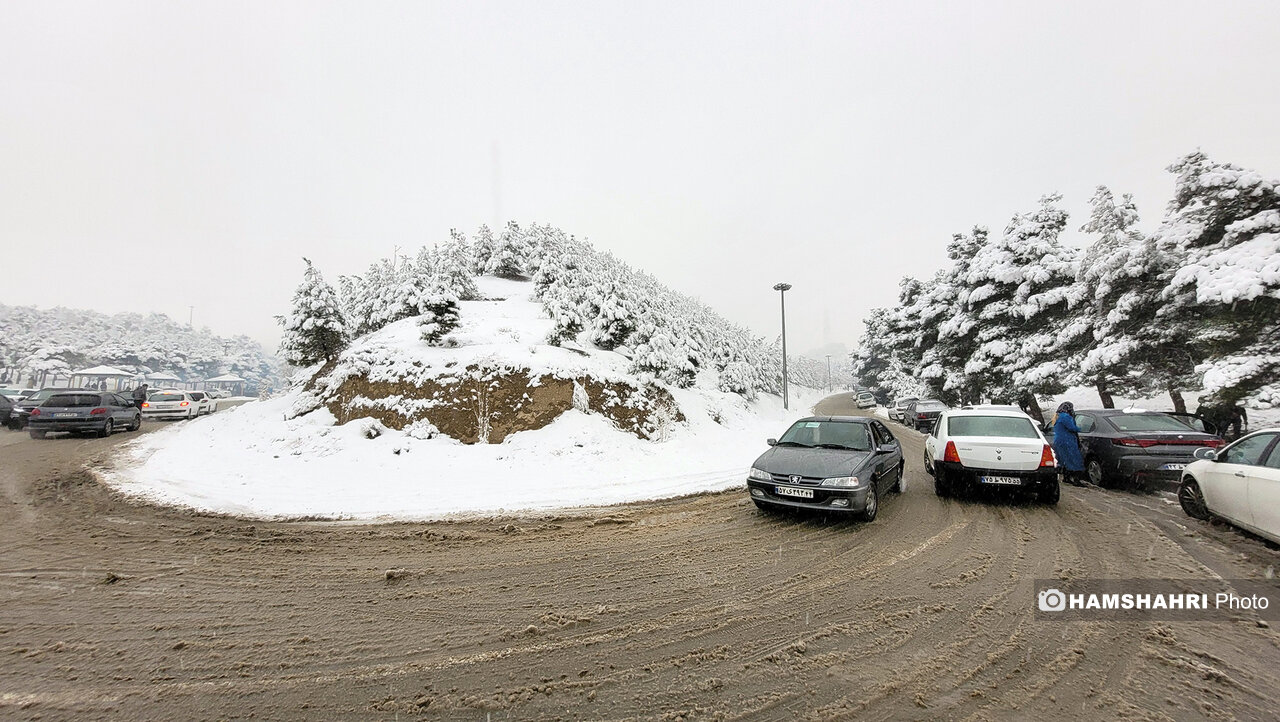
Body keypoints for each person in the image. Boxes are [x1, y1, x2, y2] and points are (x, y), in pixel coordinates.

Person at [1052, 401, 1087, 486]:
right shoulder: (1065, 416)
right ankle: (1076, 480)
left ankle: (1066, 478)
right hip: (1067, 441)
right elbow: (1072, 427)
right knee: (1074, 459)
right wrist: (1081, 428)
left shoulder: (1057, 416)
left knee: (1064, 460)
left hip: (1059, 440)